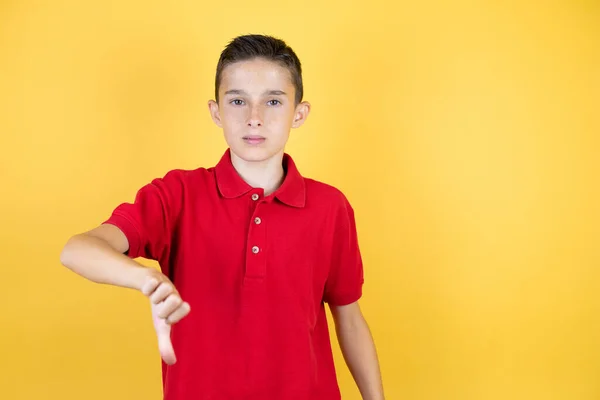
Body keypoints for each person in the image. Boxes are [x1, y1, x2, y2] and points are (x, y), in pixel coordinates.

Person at [60, 34, 385, 400]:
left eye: (273, 101)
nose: (254, 119)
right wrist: (145, 278)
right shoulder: (177, 195)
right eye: (238, 101)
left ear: (299, 113)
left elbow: (350, 318)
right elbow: (76, 250)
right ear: (216, 112)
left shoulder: (331, 207)